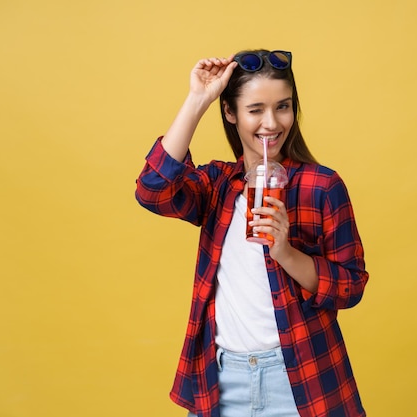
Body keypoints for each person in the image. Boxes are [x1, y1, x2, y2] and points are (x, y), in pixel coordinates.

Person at [135, 49, 369, 417]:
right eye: (256, 109)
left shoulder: (321, 186)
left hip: (299, 383)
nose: (272, 123)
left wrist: (286, 253)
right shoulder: (216, 186)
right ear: (230, 113)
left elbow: (350, 286)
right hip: (221, 382)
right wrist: (198, 100)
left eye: (283, 107)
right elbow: (153, 189)